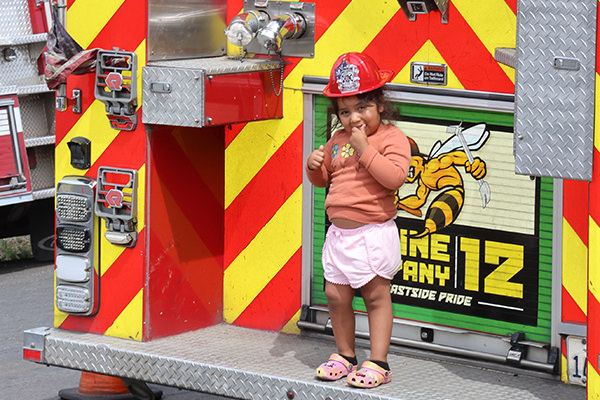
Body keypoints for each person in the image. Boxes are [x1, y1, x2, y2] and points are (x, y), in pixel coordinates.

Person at [305, 52, 411, 389]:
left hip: (373, 235)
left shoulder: (391, 138)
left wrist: (365, 148)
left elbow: (394, 178)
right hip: (339, 236)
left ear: (380, 104)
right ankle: (345, 356)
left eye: (362, 108)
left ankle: (379, 362)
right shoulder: (337, 141)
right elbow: (326, 181)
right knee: (335, 296)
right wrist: (314, 166)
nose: (354, 119)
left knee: (376, 297)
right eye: (345, 112)